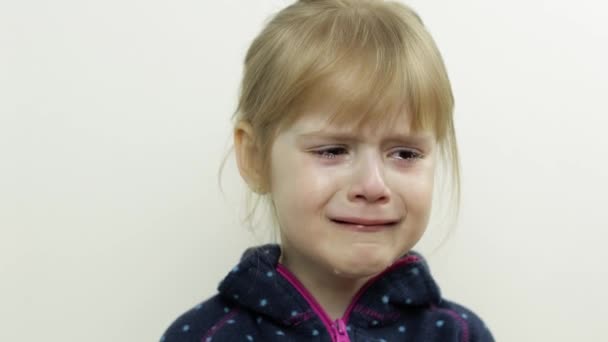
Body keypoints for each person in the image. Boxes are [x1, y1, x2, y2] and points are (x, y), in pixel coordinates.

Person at [160, 0, 495, 341]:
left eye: (405, 153)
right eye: (333, 150)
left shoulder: (459, 335)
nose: (372, 185)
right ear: (256, 157)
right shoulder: (206, 336)